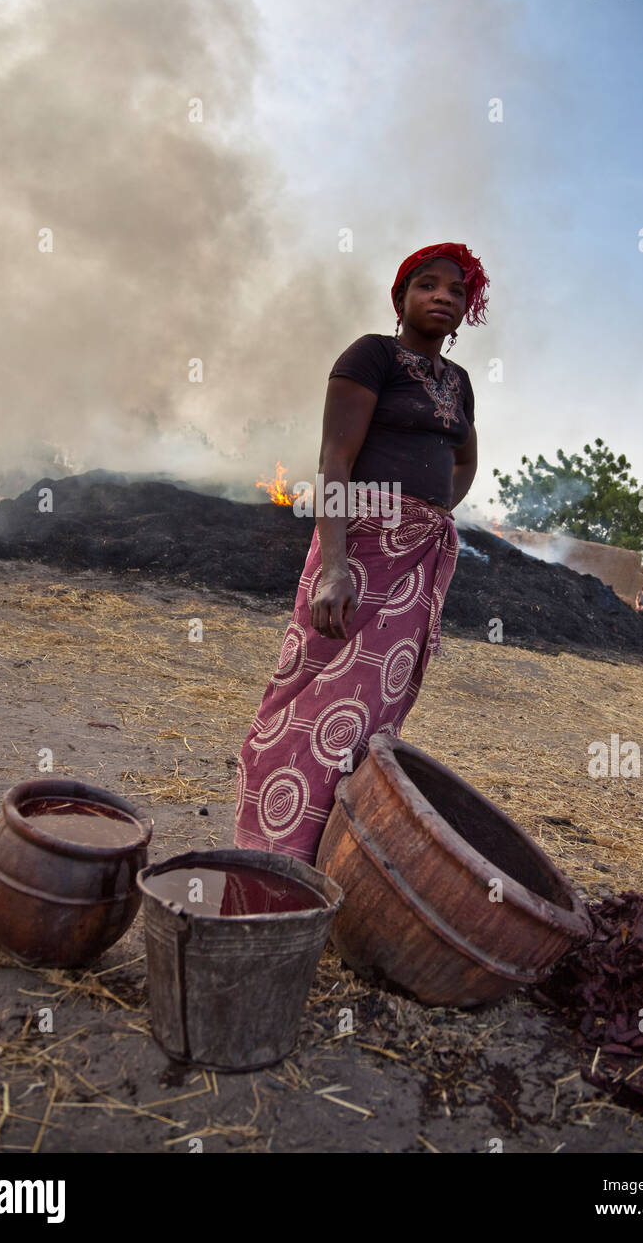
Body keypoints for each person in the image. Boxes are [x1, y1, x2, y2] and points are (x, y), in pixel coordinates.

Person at [233, 242, 488, 863]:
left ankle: (325, 854)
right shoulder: (372, 355)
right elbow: (335, 462)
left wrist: (429, 514)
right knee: (307, 691)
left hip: (417, 558)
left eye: (456, 291)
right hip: (358, 549)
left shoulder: (458, 383)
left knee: (372, 712)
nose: (443, 298)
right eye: (427, 285)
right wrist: (335, 565)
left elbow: (465, 459)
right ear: (400, 298)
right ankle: (270, 847)